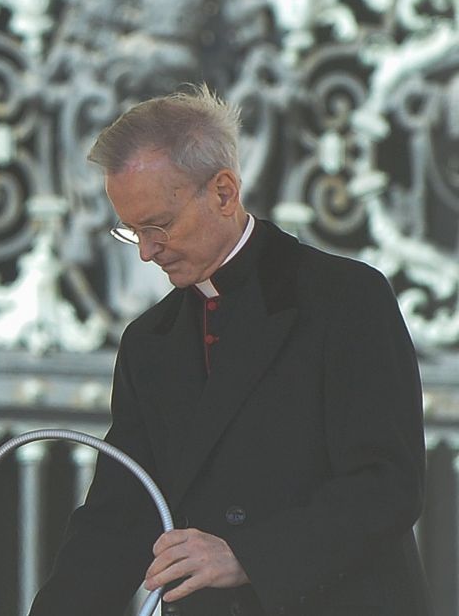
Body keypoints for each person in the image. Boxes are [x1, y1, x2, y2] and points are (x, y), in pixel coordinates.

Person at [30, 86, 429, 615]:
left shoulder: (345, 298)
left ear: (223, 192)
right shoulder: (149, 342)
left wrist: (248, 555)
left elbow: (387, 485)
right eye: (131, 231)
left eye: (159, 226)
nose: (147, 252)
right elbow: (119, 518)